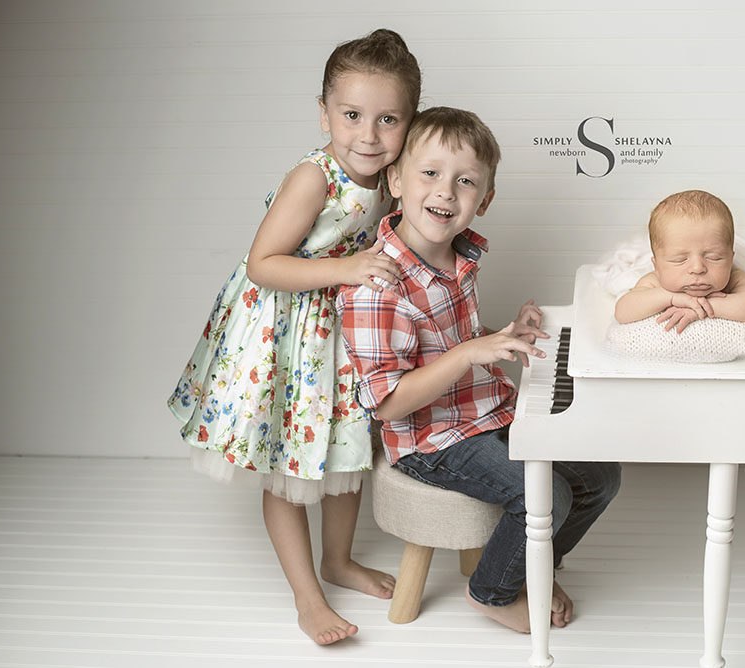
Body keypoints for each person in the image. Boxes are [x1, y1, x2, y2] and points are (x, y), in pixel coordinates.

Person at [167, 29, 420, 645]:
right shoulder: (315, 178)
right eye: (352, 115)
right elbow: (263, 263)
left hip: (340, 336)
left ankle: (338, 560)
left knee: (345, 448)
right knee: (286, 461)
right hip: (282, 335)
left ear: (409, 122)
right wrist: (349, 269)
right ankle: (308, 596)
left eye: (388, 119)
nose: (368, 134)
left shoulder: (393, 174)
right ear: (324, 111)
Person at [337, 107, 622, 633]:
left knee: (601, 476)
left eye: (465, 181)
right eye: (430, 173)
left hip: (485, 413)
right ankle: (491, 593)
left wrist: (504, 334)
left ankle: (533, 566)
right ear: (395, 180)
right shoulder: (377, 286)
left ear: (484, 200)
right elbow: (388, 402)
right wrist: (468, 354)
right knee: (545, 494)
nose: (446, 191)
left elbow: (454, 338)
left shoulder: (457, 258)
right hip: (431, 442)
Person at [614, 189, 745, 332]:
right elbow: (622, 312)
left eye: (713, 257)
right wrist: (670, 297)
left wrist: (705, 306)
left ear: (730, 260)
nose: (698, 268)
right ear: (656, 266)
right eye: (679, 260)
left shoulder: (734, 277)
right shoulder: (654, 281)